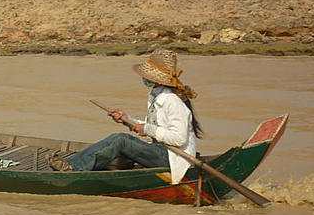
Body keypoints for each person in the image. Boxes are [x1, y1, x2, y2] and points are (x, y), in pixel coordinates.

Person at [51, 49, 203, 183]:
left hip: (173, 157)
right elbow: (152, 126)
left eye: (146, 75)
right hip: (160, 150)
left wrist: (148, 129)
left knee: (120, 140)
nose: (143, 78)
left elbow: (179, 138)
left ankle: (74, 169)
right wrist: (127, 120)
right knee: (121, 141)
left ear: (155, 80)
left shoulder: (172, 101)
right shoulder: (155, 95)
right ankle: (69, 164)